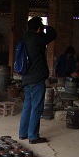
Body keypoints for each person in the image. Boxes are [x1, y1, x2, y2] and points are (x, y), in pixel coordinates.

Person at [18, 16, 57, 144]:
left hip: (26, 78)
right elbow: (53, 35)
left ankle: (23, 133)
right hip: (36, 79)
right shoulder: (37, 38)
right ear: (38, 28)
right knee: (36, 107)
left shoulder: (25, 38)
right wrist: (46, 27)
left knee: (27, 106)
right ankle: (33, 136)